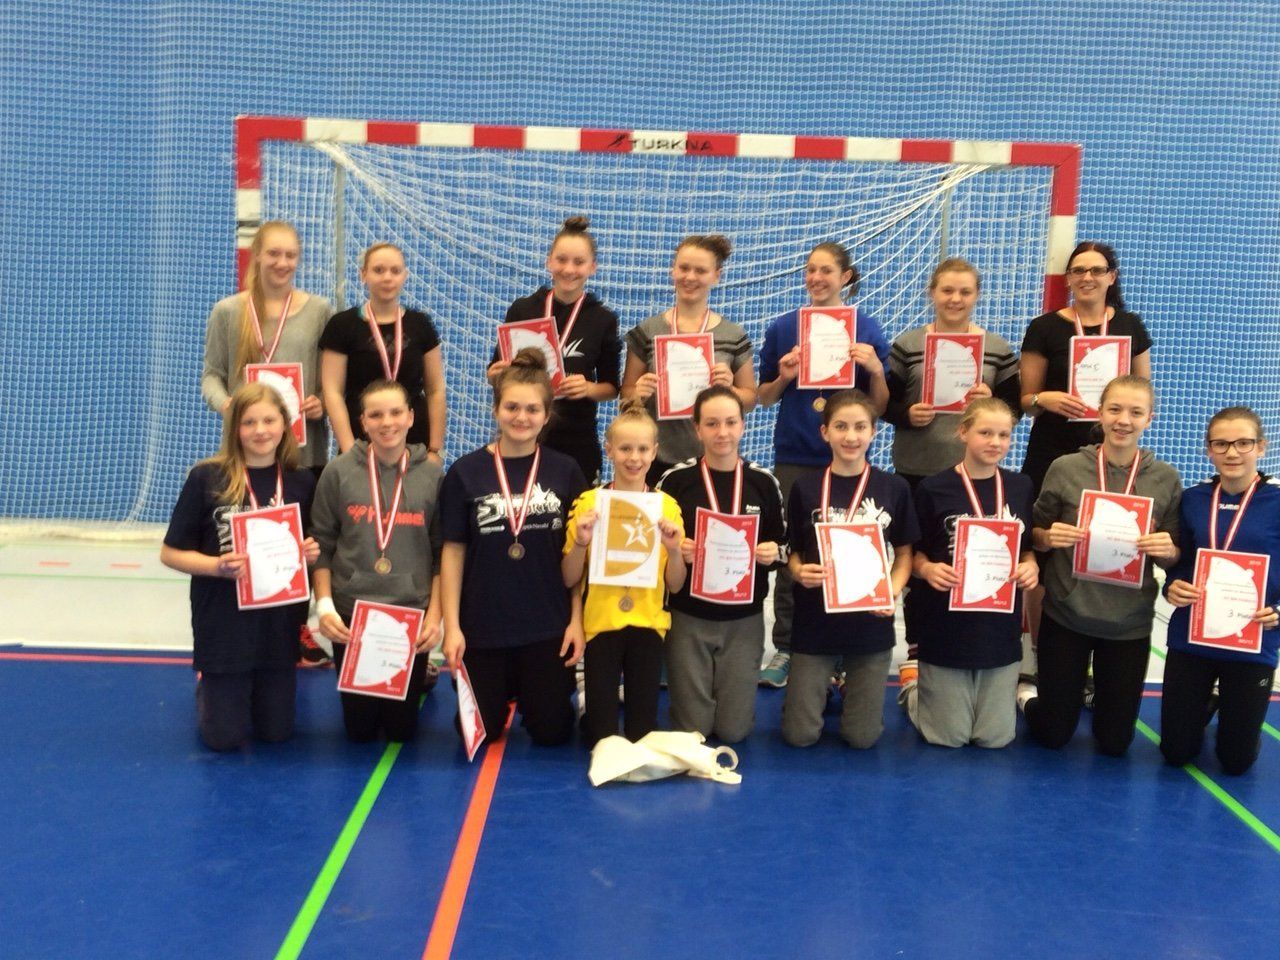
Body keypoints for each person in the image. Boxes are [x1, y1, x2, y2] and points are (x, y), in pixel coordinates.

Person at [1019, 375, 1181, 756]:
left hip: (1128, 623)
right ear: (1101, 413)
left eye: (1135, 412)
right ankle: (1027, 694)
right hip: (1068, 614)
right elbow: (1034, 532)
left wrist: (1166, 548)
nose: (1124, 419)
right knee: (1054, 735)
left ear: (1150, 418)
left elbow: (1174, 555)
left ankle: (1094, 699)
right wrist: (1046, 537)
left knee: (1114, 744)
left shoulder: (1166, 479)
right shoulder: (1066, 467)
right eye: (1115, 409)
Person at [756, 242, 891, 688]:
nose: (817, 278)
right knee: (794, 555)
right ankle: (787, 649)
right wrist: (785, 375)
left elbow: (881, 407)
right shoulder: (783, 328)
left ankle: (840, 654)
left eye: (827, 270)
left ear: (846, 277)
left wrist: (874, 370)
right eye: (811, 270)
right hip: (795, 456)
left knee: (849, 553)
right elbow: (764, 398)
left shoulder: (867, 328)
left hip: (849, 461)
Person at [161, 383, 320, 751]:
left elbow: (312, 548)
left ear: (286, 424)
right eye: (249, 422)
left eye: (269, 419)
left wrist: (311, 552)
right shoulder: (207, 478)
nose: (260, 430)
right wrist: (218, 566)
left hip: (278, 624)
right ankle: (211, 685)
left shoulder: (302, 481)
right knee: (225, 739)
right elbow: (170, 553)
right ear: (235, 429)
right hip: (223, 621)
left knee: (276, 733)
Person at [440, 348, 587, 746]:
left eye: (532, 409)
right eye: (512, 407)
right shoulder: (464, 472)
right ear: (496, 410)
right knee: (476, 734)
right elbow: (452, 553)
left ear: (546, 414)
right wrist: (451, 627)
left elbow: (577, 553)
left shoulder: (566, 470)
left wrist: (577, 620)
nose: (521, 417)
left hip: (546, 627)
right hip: (483, 627)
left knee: (553, 732)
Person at [899, 398, 1038, 748]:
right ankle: (913, 689)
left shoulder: (1020, 487)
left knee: (994, 738)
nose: (995, 442)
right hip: (947, 625)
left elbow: (1028, 548)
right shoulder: (933, 488)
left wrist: (1031, 565)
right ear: (963, 432)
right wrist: (928, 568)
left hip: (999, 626)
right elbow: (912, 555)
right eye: (985, 432)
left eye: (1004, 435)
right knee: (950, 737)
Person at [311, 379, 444, 743]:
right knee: (360, 732)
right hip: (353, 616)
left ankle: (421, 676)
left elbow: (440, 553)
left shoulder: (432, 475)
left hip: (409, 617)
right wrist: (325, 609)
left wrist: (435, 618)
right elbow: (321, 545)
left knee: (402, 732)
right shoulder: (338, 472)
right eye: (376, 414)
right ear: (363, 422)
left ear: (411, 416)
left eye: (396, 412)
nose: (388, 422)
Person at [783, 390, 916, 748]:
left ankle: (845, 684)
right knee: (799, 736)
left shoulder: (894, 487)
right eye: (840, 426)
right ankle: (821, 685)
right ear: (824, 432)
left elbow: (904, 555)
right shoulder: (805, 486)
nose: (851, 436)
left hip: (869, 624)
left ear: (874, 432)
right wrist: (798, 572)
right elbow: (792, 552)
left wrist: (890, 590)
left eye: (860, 427)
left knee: (862, 739)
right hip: (816, 621)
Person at [658, 385, 786, 743]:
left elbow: (785, 547)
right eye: (712, 424)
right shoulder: (674, 481)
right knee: (692, 733)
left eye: (730, 422)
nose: (722, 432)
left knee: (734, 732)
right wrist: (674, 549)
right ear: (696, 428)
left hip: (743, 619)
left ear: (743, 426)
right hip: (688, 615)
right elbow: (651, 544)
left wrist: (773, 552)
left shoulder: (763, 482)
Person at [1161, 407, 1280, 775]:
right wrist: (1173, 585)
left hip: (1253, 639)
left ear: (1261, 447)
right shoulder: (1194, 498)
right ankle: (1206, 704)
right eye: (1221, 443)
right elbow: (1182, 559)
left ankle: (1232, 718)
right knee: (1176, 753)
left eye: (1243, 443)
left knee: (1236, 761)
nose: (1232, 452)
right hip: (1193, 635)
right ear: (1208, 450)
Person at [562, 406, 687, 746]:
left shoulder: (668, 507)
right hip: (601, 624)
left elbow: (676, 584)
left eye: (643, 449)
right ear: (609, 449)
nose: (634, 458)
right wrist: (580, 542)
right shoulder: (589, 502)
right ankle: (593, 705)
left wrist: (675, 550)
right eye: (625, 448)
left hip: (648, 624)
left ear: (655, 452)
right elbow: (569, 576)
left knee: (640, 736)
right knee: (601, 739)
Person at [487, 215, 621, 484]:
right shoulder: (523, 309)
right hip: (523, 431)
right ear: (549, 261)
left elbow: (611, 388)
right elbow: (493, 372)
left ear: (592, 267)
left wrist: (588, 388)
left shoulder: (602, 319)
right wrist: (498, 372)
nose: (569, 269)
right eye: (561, 260)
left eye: (579, 262)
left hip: (576, 438)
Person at [621, 234, 756, 485]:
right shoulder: (648, 331)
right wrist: (638, 392)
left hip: (710, 458)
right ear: (673, 270)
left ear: (716, 275)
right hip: (653, 457)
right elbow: (626, 394)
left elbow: (750, 398)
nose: (690, 277)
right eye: (683, 268)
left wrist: (731, 390)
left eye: (700, 270)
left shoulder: (733, 335)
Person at [1019, 242, 1152, 496]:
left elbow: (1144, 394)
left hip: (1114, 448)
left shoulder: (1130, 325)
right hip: (1052, 447)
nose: (1087, 277)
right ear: (1068, 278)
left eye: (1096, 271)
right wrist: (1043, 399)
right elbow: (1027, 402)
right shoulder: (1043, 327)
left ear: (1111, 276)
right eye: (1078, 271)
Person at [202, 220, 332, 474]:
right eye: (274, 253)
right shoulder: (227, 311)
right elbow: (211, 376)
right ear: (258, 254)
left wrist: (322, 403)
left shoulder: (320, 310)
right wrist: (226, 404)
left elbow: (333, 382)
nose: (282, 263)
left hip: (303, 455)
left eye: (290, 255)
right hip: (244, 451)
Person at [885, 258, 1021, 489]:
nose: (955, 299)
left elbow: (1015, 411)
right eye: (947, 290)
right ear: (932, 293)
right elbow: (884, 405)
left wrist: (991, 403)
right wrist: (906, 415)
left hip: (976, 468)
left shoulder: (998, 349)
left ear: (976, 295)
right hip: (915, 467)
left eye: (965, 292)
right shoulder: (907, 345)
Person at [320, 243, 446, 463]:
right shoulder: (342, 325)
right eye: (379, 270)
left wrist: (434, 449)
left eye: (395, 271)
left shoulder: (421, 325)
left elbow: (435, 389)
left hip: (413, 440)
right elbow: (332, 392)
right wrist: (349, 448)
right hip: (361, 439)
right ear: (363, 274)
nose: (387, 277)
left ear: (404, 276)